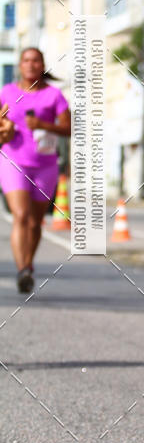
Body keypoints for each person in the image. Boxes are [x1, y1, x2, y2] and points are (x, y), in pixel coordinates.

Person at [0, 47, 71, 293]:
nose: (30, 65)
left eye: (36, 61)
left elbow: (69, 128)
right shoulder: (6, 93)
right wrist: (5, 128)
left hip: (45, 164)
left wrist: (42, 124)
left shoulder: (54, 96)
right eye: (26, 60)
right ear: (20, 65)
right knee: (20, 216)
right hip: (13, 160)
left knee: (35, 222)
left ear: (42, 65)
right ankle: (23, 270)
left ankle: (28, 263)